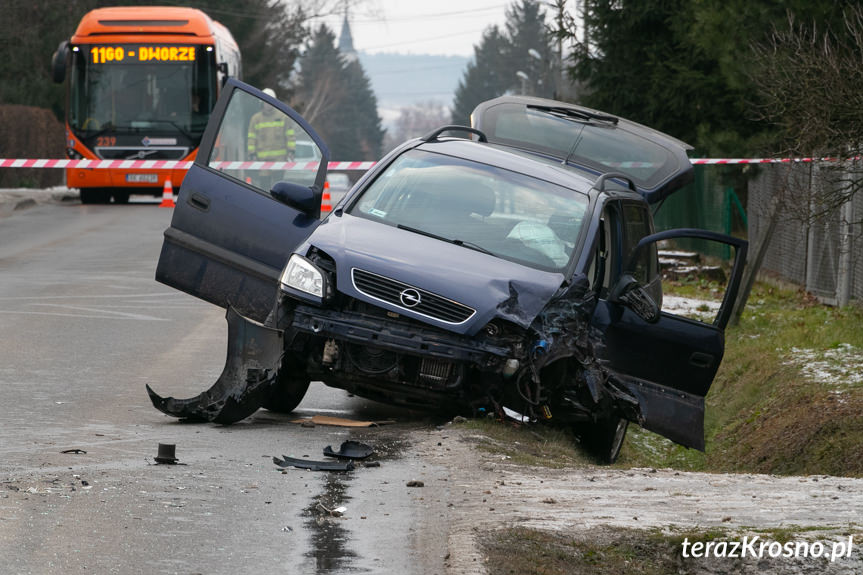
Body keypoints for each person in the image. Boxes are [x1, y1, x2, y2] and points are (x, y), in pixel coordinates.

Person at [246, 88, 297, 191]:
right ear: (261, 103)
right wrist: (252, 153)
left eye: (269, 102)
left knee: (279, 188)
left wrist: (291, 150)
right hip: (262, 161)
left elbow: (290, 135)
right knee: (264, 188)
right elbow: (251, 138)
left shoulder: (283, 117)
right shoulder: (256, 119)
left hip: (279, 160)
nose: (267, 104)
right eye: (265, 102)